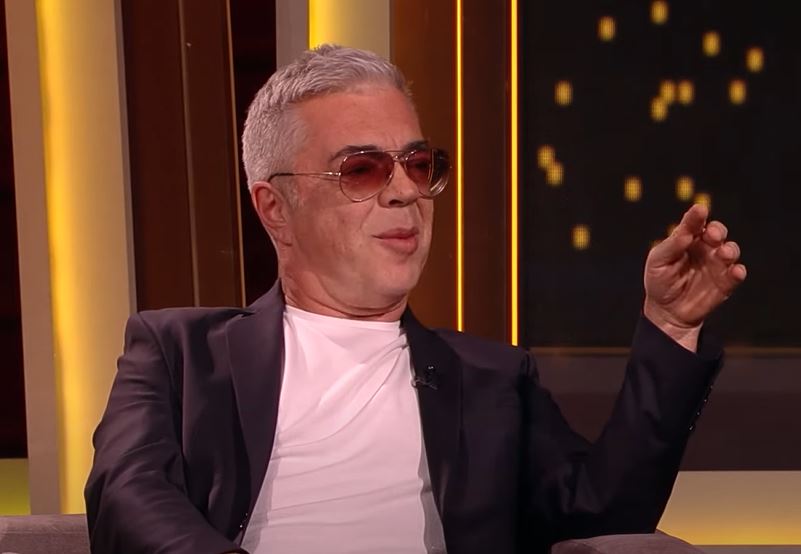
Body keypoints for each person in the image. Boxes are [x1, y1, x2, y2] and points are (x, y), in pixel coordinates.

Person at [85, 44, 746, 554]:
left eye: (418, 164)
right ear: (275, 209)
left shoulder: (492, 379)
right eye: (363, 169)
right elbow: (126, 492)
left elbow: (606, 515)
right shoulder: (178, 352)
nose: (406, 191)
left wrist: (670, 328)